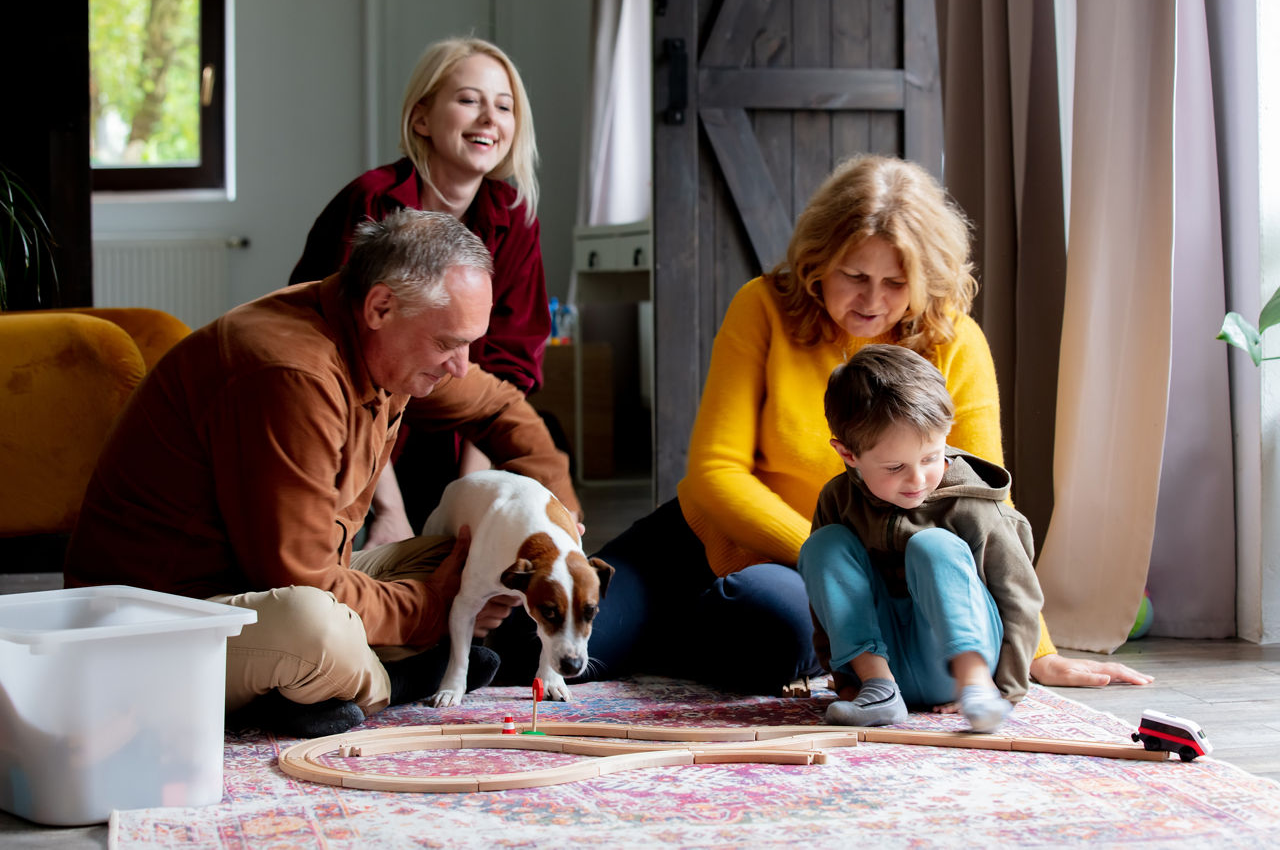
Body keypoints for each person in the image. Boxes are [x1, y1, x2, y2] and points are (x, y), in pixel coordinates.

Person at [576, 154, 1151, 694]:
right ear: (818, 261)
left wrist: (1038, 649)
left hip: (796, 586)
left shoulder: (957, 344)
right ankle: (663, 619)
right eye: (853, 275)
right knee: (545, 643)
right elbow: (713, 474)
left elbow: (984, 506)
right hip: (702, 539)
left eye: (896, 284)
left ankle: (675, 633)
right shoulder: (762, 307)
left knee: (772, 631)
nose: (873, 300)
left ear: (924, 280)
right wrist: (828, 555)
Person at [65, 210, 578, 738]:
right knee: (316, 629)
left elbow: (500, 409)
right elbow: (298, 579)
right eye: (449, 344)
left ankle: (313, 689)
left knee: (458, 556)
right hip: (159, 625)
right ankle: (388, 682)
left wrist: (560, 526)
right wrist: (433, 608)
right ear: (381, 305)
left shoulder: (389, 335)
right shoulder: (290, 374)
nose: (461, 365)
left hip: (268, 584)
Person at [289, 36, 550, 545]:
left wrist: (472, 494)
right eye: (469, 100)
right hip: (350, 425)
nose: (488, 119)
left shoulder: (514, 217)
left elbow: (508, 361)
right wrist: (385, 507)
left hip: (453, 430)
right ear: (422, 118)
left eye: (504, 106)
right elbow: (344, 356)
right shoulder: (372, 201)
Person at [799, 345, 1043, 733]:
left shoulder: (975, 504)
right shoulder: (836, 499)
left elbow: (1018, 597)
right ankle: (879, 693)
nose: (917, 481)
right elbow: (825, 598)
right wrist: (846, 682)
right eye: (895, 467)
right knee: (822, 545)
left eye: (931, 457)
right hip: (877, 670)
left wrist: (1006, 689)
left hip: (953, 664)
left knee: (933, 545)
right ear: (848, 455)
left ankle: (974, 685)